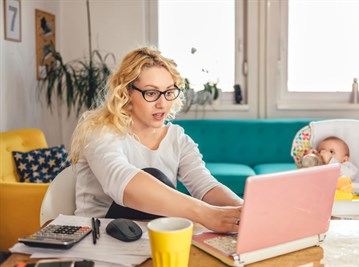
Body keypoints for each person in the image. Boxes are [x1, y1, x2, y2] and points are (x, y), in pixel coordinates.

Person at [69, 47, 243, 233]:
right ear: (126, 93)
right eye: (151, 93)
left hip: (151, 235)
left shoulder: (177, 138)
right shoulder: (100, 132)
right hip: (100, 235)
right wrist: (207, 214)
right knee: (154, 176)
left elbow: (205, 185)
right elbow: (123, 182)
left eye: (168, 92)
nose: (162, 104)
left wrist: (244, 210)